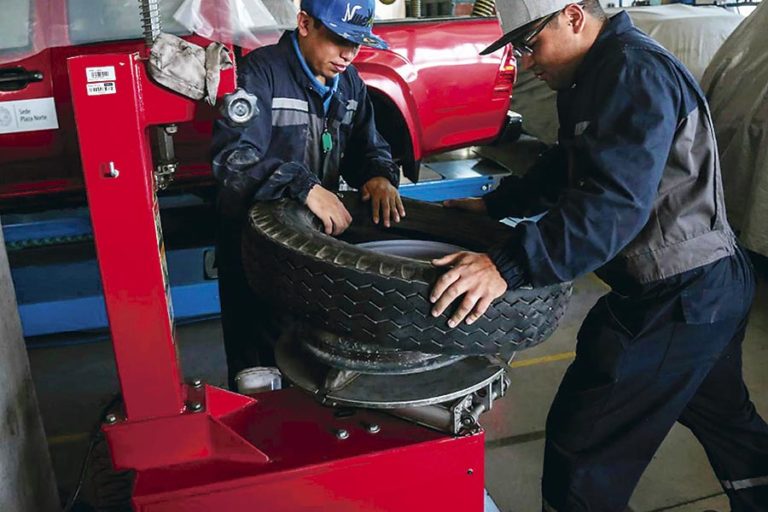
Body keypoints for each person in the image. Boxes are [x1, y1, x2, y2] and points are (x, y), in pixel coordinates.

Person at [429, 0, 768, 510]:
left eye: (530, 44)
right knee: (731, 429)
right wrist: (495, 204)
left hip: (680, 296)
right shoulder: (595, 75)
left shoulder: (633, 72)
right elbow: (570, 165)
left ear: (572, 16)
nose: (525, 62)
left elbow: (612, 205)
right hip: (704, 289)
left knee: (583, 449)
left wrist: (507, 265)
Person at [211, 0, 405, 390]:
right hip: (254, 255)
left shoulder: (349, 84)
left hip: (312, 253)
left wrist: (379, 175)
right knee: (261, 377)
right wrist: (303, 186)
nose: (349, 54)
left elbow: (368, 147)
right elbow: (233, 161)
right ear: (304, 23)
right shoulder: (259, 75)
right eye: (338, 40)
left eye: (357, 43)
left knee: (311, 366)